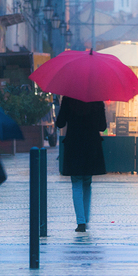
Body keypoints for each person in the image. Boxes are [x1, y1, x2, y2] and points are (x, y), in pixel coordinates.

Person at [55, 96, 107, 232]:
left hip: (74, 145)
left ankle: (81, 222)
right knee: (87, 182)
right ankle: (85, 218)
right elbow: (102, 126)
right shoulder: (97, 100)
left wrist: (63, 110)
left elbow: (60, 124)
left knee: (76, 183)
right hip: (91, 146)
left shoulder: (68, 99)